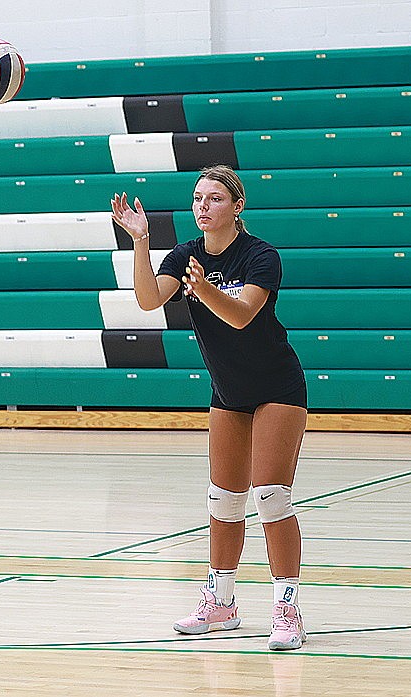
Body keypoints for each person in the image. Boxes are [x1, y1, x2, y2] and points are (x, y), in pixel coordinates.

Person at [111, 165, 308, 651]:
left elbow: (242, 316)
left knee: (271, 495)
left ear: (237, 207)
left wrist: (205, 290)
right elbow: (146, 300)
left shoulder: (261, 256)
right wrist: (140, 242)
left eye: (215, 198)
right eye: (198, 198)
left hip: (277, 387)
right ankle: (221, 602)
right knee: (223, 499)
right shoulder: (184, 256)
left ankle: (287, 608)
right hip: (228, 391)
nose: (203, 206)